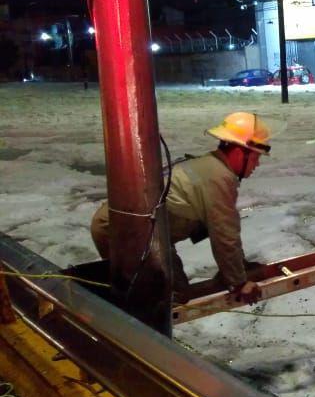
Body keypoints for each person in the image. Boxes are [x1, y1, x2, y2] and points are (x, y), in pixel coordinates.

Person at [90, 112, 269, 304]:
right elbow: (225, 236)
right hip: (123, 233)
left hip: (136, 231)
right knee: (165, 301)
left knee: (172, 292)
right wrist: (239, 284)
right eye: (256, 157)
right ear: (239, 152)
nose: (257, 163)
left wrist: (237, 269)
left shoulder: (210, 166)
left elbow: (223, 227)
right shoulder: (218, 178)